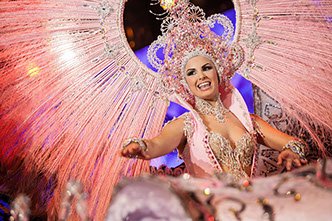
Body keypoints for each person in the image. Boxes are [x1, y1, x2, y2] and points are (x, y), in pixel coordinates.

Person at [121, 53, 308, 180]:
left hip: (251, 205)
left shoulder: (246, 120)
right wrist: (141, 147)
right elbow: (156, 145)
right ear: (186, 84)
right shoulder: (185, 125)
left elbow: (293, 142)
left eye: (206, 68)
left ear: (218, 74)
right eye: (192, 73)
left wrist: (292, 151)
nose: (201, 76)